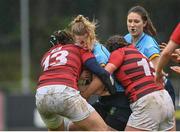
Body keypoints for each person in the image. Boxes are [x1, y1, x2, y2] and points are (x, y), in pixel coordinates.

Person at [35, 30, 115, 131]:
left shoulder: (47, 55)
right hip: (64, 92)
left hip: (41, 95)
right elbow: (99, 71)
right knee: (101, 128)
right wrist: (112, 88)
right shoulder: (79, 49)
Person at [68, 14, 131, 131]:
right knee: (73, 127)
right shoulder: (84, 53)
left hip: (118, 99)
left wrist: (84, 95)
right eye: (78, 43)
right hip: (104, 101)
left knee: (105, 130)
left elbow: (101, 80)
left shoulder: (98, 52)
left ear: (90, 36)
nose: (81, 46)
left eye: (83, 42)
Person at [104, 35, 175, 131]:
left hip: (147, 100)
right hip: (165, 98)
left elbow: (105, 73)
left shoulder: (118, 52)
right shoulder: (138, 51)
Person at [124, 5, 176, 106]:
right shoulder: (126, 38)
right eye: (129, 21)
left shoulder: (149, 45)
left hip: (161, 89)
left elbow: (158, 71)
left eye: (136, 21)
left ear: (144, 23)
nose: (132, 25)